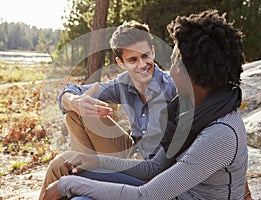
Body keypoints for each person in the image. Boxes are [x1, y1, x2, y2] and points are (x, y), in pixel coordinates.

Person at [43, 9, 249, 200]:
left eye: (174, 62)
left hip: (161, 193)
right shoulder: (190, 108)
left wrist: (68, 186)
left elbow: (146, 195)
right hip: (166, 189)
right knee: (74, 170)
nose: (169, 68)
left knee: (80, 195)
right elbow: (153, 168)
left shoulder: (221, 132)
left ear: (190, 72)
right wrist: (95, 161)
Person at [38, 20, 176, 199]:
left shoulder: (172, 87)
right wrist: (74, 101)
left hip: (153, 170)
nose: (142, 64)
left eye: (145, 56)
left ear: (153, 51)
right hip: (132, 153)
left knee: (60, 163)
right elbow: (70, 92)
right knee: (77, 112)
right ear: (120, 62)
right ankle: (85, 175)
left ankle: (85, 179)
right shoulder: (123, 83)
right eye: (133, 60)